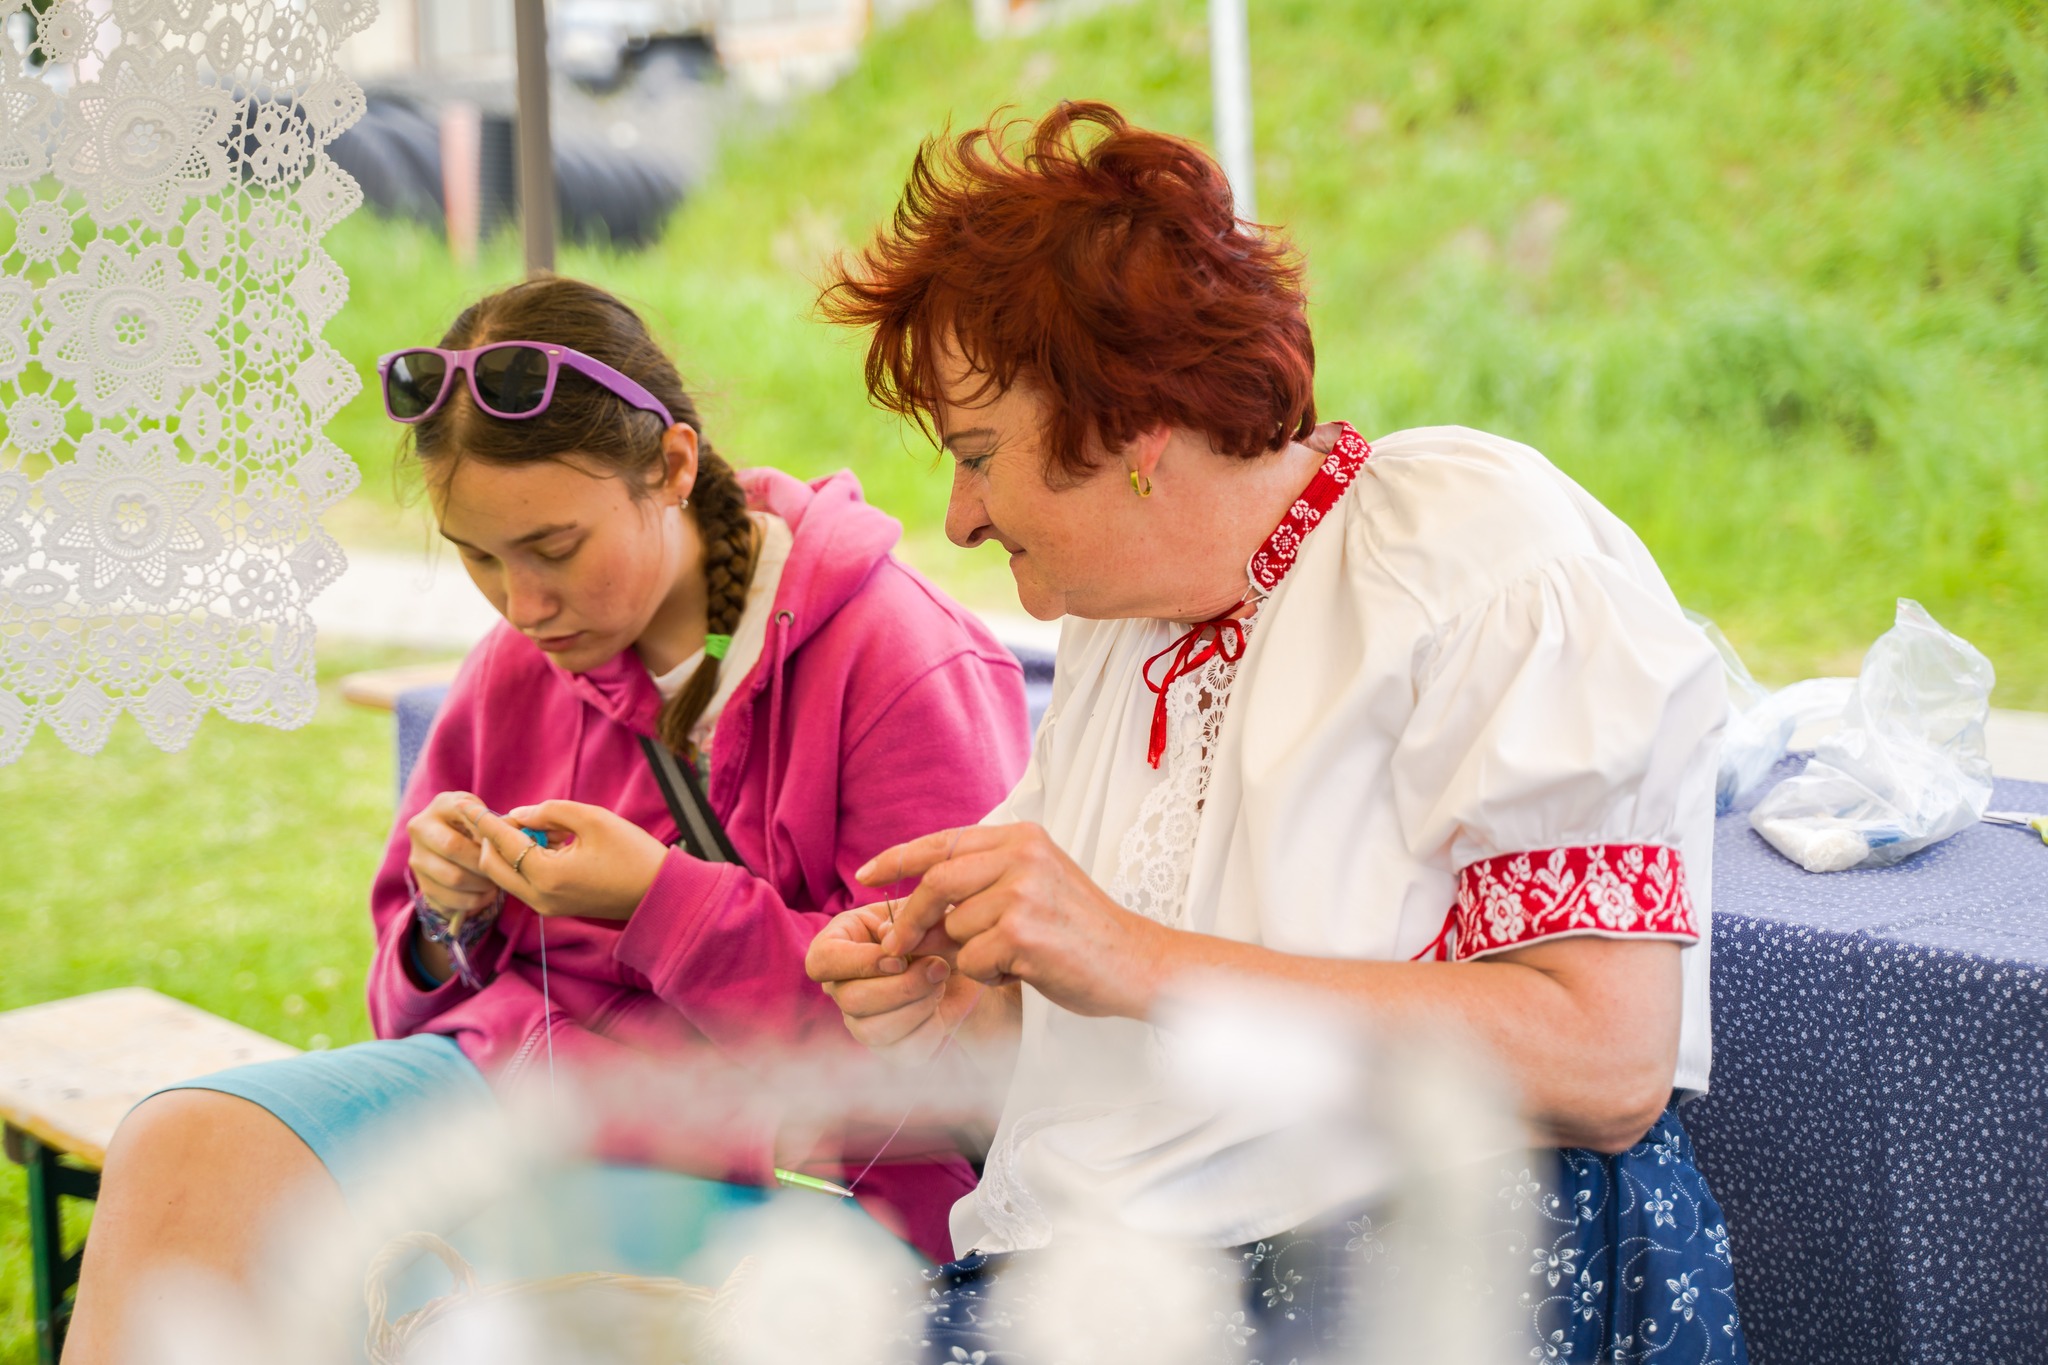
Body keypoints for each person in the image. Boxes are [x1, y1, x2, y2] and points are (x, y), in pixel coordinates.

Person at [807, 103, 1749, 1363]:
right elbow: (1123, 1104)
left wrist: (1137, 956)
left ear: (1130, 433)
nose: (959, 516)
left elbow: (1603, 1059)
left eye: (976, 454)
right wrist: (954, 1024)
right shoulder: (1123, 631)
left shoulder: (1469, 555)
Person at [65, 277, 1030, 1361]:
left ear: (672, 467)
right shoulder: (514, 665)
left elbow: (946, 1054)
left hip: (791, 1165)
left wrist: (660, 903)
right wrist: (444, 917)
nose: (521, 605)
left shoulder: (898, 658)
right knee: (186, 1146)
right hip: (522, 1101)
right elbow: (402, 1008)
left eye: (555, 548)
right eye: (477, 555)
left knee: (470, 1292)